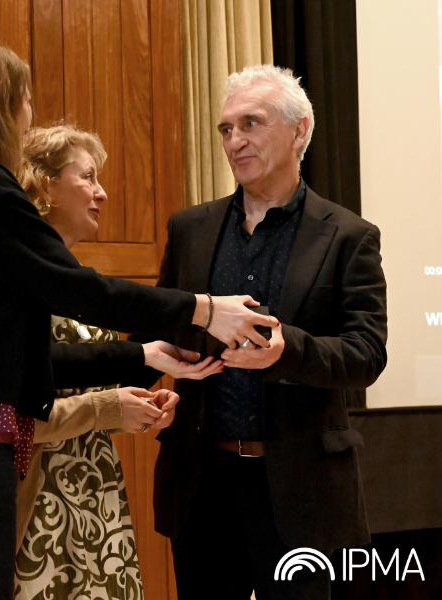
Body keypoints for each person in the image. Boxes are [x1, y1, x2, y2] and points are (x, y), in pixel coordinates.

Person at [0, 35, 276, 600]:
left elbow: (30, 360)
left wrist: (143, 354)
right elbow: (77, 289)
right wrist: (203, 309)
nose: (28, 116)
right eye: (26, 100)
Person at [146, 64, 388, 600]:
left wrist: (287, 351)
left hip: (302, 491)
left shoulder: (348, 236)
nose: (235, 141)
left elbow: (367, 353)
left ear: (300, 131)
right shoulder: (190, 228)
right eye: (226, 129)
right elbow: (164, 324)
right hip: (203, 484)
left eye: (251, 124)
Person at [13, 125, 224, 600]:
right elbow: (18, 404)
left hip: (92, 491)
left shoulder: (78, 279)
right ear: (46, 185)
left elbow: (85, 382)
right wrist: (109, 407)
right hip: (39, 497)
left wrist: (137, 405)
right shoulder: (20, 281)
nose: (102, 192)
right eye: (88, 177)